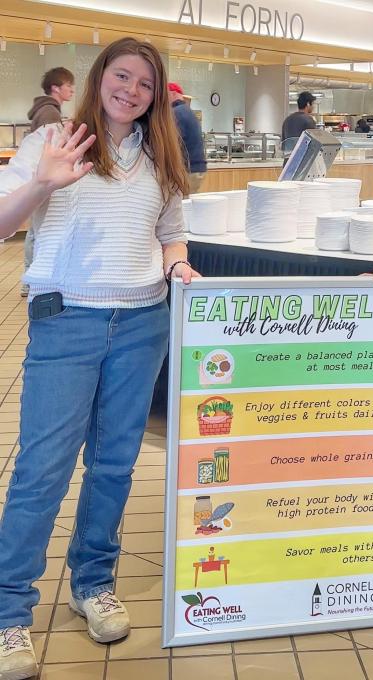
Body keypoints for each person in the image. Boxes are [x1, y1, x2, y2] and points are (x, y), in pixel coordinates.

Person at [0, 37, 196, 680]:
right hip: (67, 321)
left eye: (145, 83)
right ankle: (8, 613)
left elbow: (170, 232)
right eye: (122, 76)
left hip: (144, 322)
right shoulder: (51, 142)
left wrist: (179, 264)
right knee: (43, 470)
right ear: (99, 77)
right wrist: (40, 185)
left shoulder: (160, 154)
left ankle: (92, 582)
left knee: (113, 465)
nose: (131, 91)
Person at [22, 67, 76, 297]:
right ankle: (29, 280)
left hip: (43, 179)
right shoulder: (50, 114)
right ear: (56, 87)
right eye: (68, 86)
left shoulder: (45, 110)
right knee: (37, 230)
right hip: (45, 180)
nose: (72, 90)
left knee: (35, 229)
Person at [167, 82, 206, 195]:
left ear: (173, 94)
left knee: (182, 207)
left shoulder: (176, 113)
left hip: (187, 170)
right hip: (197, 169)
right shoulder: (188, 111)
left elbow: (173, 143)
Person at [27, 67, 75, 132]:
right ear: (55, 88)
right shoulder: (50, 112)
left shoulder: (46, 109)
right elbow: (51, 140)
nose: (72, 90)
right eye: (68, 86)